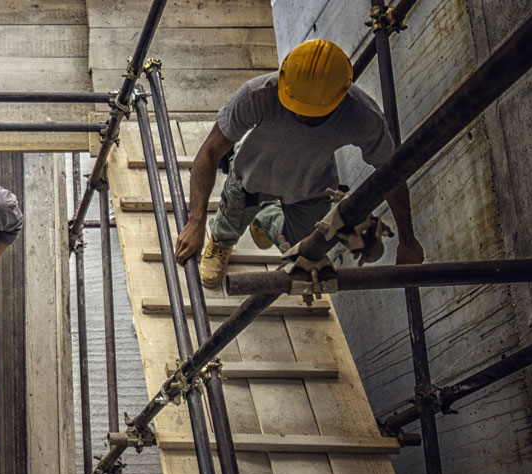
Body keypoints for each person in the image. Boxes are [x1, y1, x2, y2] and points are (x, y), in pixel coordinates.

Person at [174, 38, 424, 287]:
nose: (302, 115)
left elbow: (390, 174)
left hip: (309, 189)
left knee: (305, 246)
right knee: (231, 218)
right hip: (252, 177)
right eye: (296, 106)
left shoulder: (361, 116)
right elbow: (209, 153)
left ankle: (265, 218)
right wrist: (196, 222)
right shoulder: (258, 95)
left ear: (341, 95)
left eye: (313, 111)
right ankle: (222, 241)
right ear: (285, 81)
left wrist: (408, 239)